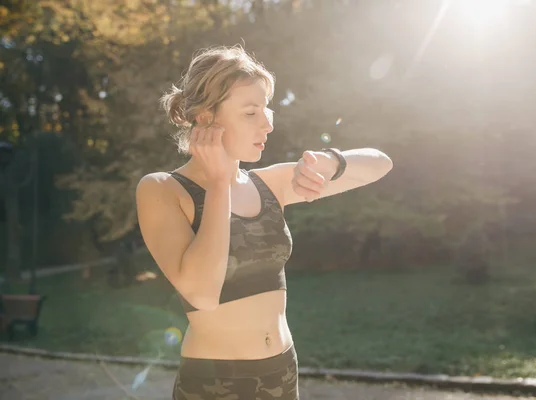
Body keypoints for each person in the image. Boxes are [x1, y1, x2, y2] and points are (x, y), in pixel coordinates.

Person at [135, 45, 393, 400]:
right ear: (206, 117)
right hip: (214, 385)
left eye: (266, 109)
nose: (268, 122)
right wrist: (219, 183)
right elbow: (202, 293)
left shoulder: (267, 183)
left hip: (283, 373)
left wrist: (331, 163)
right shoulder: (162, 189)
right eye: (251, 112)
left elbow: (380, 164)